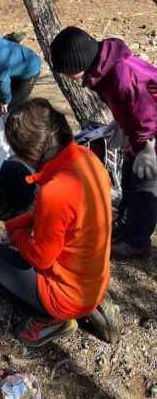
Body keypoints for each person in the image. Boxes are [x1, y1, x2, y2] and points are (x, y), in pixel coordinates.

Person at [0, 99, 119, 347]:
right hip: (93, 279)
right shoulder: (85, 157)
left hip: (66, 295)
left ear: (30, 153)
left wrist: (17, 235)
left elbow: (40, 258)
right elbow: (65, 218)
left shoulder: (56, 190)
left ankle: (50, 318)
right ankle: (85, 305)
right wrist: (17, 223)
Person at [51, 26, 157, 260]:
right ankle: (127, 227)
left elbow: (147, 113)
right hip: (140, 134)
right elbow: (128, 106)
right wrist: (120, 125)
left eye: (68, 71)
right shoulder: (104, 70)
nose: (67, 77)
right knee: (130, 179)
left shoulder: (120, 74)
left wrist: (147, 147)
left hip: (151, 137)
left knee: (144, 187)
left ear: (80, 62)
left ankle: (138, 242)